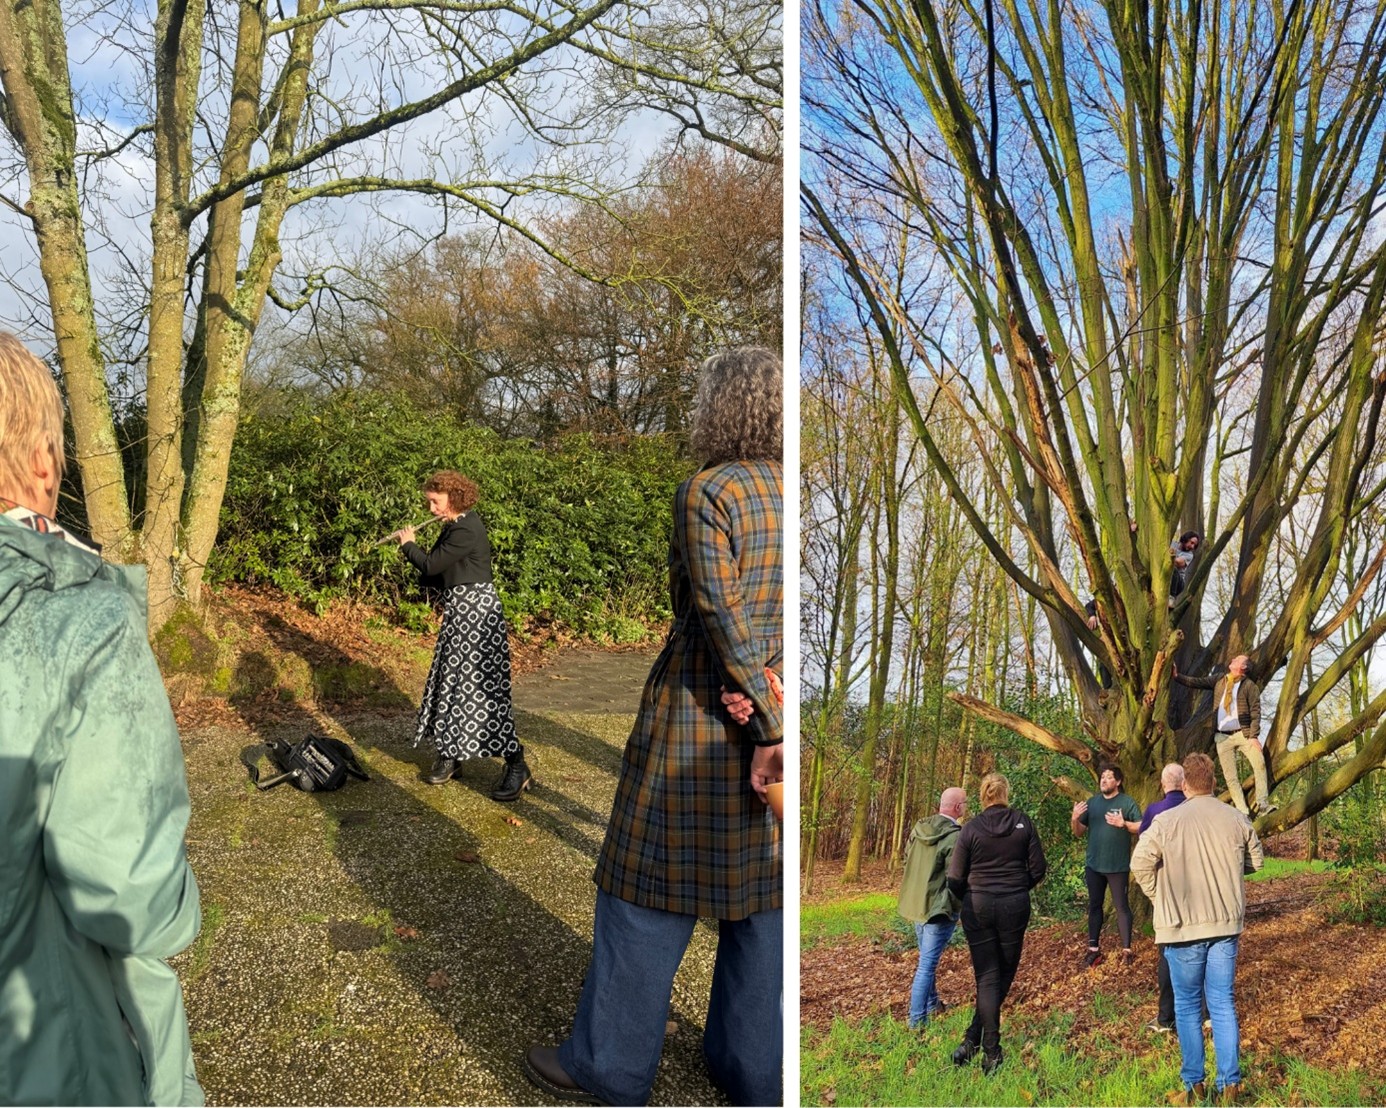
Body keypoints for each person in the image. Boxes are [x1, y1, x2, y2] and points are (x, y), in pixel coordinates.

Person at [523, 347, 784, 1106]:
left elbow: (718, 613)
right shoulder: (788, 492)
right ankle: (752, 1072)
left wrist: (766, 724)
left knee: (642, 888)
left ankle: (609, 1065)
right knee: (760, 898)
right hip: (769, 712)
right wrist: (780, 704)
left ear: (718, 406)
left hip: (700, 718)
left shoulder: (710, 491)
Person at [0, 333, 203, 1105]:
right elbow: (128, 890)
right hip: (47, 1042)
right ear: (44, 463)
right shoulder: (78, 616)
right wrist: (178, 906)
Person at [1131, 753, 1264, 1106]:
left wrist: (1162, 896)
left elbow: (1139, 862)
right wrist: (1227, 874)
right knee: (1222, 1004)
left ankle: (1194, 1087)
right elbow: (1256, 861)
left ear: (1185, 784)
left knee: (1188, 1007)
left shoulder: (1167, 821)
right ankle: (1230, 1086)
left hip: (1181, 926)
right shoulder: (1236, 818)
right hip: (1224, 923)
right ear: (1215, 783)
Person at [394, 470, 531, 801]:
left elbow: (430, 566)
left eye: (434, 502)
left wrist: (409, 545)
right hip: (460, 613)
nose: (430, 508)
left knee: (481, 691)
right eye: (429, 501)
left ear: (452, 499)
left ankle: (517, 764)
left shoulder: (466, 529)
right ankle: (451, 755)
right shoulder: (453, 526)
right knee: (450, 684)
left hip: (477, 617)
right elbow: (439, 574)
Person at [946, 772, 1047, 1076]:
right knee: (1001, 975)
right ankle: (990, 1049)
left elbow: (954, 878)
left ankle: (973, 1040)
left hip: (979, 908)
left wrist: (973, 896)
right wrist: (1016, 888)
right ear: (1006, 793)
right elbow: (1038, 869)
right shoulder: (1023, 823)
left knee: (991, 977)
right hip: (1013, 906)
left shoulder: (971, 829)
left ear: (983, 795)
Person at [898, 787, 967, 1029]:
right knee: (926, 966)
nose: (966, 808)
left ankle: (932, 1004)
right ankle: (917, 1023)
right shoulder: (955, 836)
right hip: (938, 909)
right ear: (958, 808)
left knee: (927, 961)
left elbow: (906, 860)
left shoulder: (919, 829)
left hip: (917, 904)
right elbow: (956, 876)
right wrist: (958, 903)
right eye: (965, 804)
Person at [1137, 763, 1197, 1034]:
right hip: (1198, 888)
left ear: (1163, 785)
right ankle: (1204, 1013)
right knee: (1202, 949)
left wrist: (1154, 894)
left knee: (1167, 953)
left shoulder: (1155, 812)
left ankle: (1166, 1017)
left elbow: (1142, 854)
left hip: (1166, 890)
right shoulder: (1197, 810)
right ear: (1185, 783)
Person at [1175, 654, 1276, 815]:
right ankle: (1242, 811)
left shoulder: (1249, 686)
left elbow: (1256, 712)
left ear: (1243, 667)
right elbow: (1197, 682)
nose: (1233, 660)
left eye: (1237, 660)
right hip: (1222, 737)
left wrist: (1253, 736)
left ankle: (1263, 804)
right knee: (1231, 777)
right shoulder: (1220, 680)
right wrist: (1177, 676)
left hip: (1243, 735)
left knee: (1259, 763)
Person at [1071, 763, 1141, 966]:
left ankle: (1127, 950)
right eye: (1102, 776)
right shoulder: (1092, 803)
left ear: (1118, 781)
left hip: (1117, 865)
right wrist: (1074, 818)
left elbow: (1141, 825)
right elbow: (1078, 832)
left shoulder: (1127, 802)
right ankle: (1093, 949)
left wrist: (1124, 824)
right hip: (1094, 865)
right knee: (1094, 905)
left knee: (1121, 906)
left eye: (1109, 777)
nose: (1104, 780)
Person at [1169, 531, 1201, 600]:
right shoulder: (1172, 543)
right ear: (1186, 539)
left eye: (1194, 545)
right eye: (1192, 543)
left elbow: (1178, 563)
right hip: (1166, 577)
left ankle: (1171, 598)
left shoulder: (1189, 555)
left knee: (1173, 569)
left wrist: (1167, 556)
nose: (1192, 547)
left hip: (1178, 583)